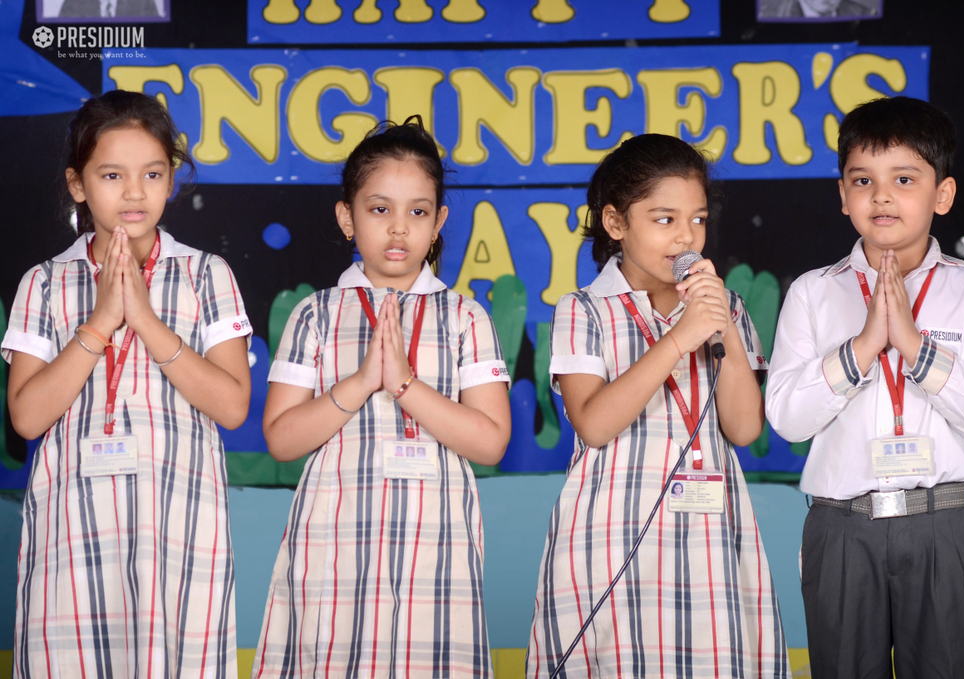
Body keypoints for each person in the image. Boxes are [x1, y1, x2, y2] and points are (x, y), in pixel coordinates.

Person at [2, 90, 252, 677]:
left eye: (152, 173)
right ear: (78, 184)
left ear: (172, 180)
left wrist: (144, 319)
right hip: (72, 536)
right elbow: (27, 417)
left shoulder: (206, 275)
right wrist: (101, 321)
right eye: (112, 174)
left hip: (180, 532)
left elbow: (232, 405)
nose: (134, 192)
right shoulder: (44, 283)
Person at [766, 96, 964, 679]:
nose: (881, 195)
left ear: (942, 194)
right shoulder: (812, 292)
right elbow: (787, 418)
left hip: (942, 523)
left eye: (904, 178)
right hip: (841, 526)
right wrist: (862, 347)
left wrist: (913, 345)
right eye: (863, 180)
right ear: (843, 196)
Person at [252, 117, 512, 678]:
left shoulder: (466, 316)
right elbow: (281, 438)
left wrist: (404, 386)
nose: (399, 229)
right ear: (347, 217)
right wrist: (362, 380)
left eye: (418, 212)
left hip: (436, 548)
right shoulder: (314, 314)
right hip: (335, 547)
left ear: (439, 221)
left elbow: (490, 442)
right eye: (379, 210)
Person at [527, 134, 790, 678]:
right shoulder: (583, 310)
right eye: (664, 219)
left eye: (696, 219)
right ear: (616, 223)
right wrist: (679, 338)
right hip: (613, 531)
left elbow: (743, 427)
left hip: (711, 531)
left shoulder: (725, 305)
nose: (686, 236)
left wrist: (722, 326)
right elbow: (594, 423)